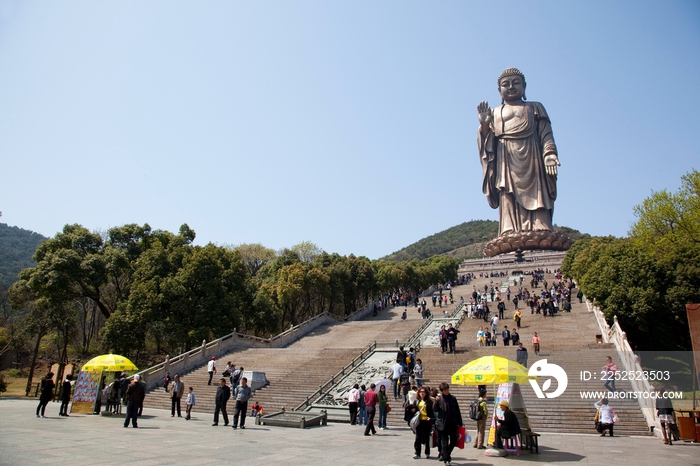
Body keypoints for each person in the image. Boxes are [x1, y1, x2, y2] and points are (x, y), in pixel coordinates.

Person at [477, 67, 560, 237]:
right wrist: (485, 125)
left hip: (532, 156)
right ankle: (509, 228)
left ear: (524, 86)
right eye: (506, 84)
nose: (511, 87)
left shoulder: (535, 107)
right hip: (505, 158)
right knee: (506, 190)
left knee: (538, 190)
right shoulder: (495, 112)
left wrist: (549, 154)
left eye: (516, 83)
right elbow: (487, 143)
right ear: (499, 90)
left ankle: (541, 224)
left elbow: (546, 134)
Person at [434, 382, 462, 465]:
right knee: (444, 442)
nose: (447, 391)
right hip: (443, 424)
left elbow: (457, 411)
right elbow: (435, 410)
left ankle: (446, 454)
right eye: (445, 390)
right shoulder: (439, 399)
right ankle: (446, 459)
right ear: (442, 391)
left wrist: (460, 423)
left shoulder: (453, 398)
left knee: (453, 440)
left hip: (452, 423)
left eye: (447, 390)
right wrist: (436, 401)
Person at [413, 387, 434, 459]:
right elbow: (413, 408)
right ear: (418, 393)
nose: (422, 393)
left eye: (423, 392)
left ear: (426, 393)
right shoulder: (416, 401)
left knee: (426, 437)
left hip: (426, 420)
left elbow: (431, 411)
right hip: (419, 421)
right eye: (420, 392)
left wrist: (431, 419)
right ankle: (417, 453)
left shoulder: (429, 401)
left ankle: (427, 452)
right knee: (418, 437)